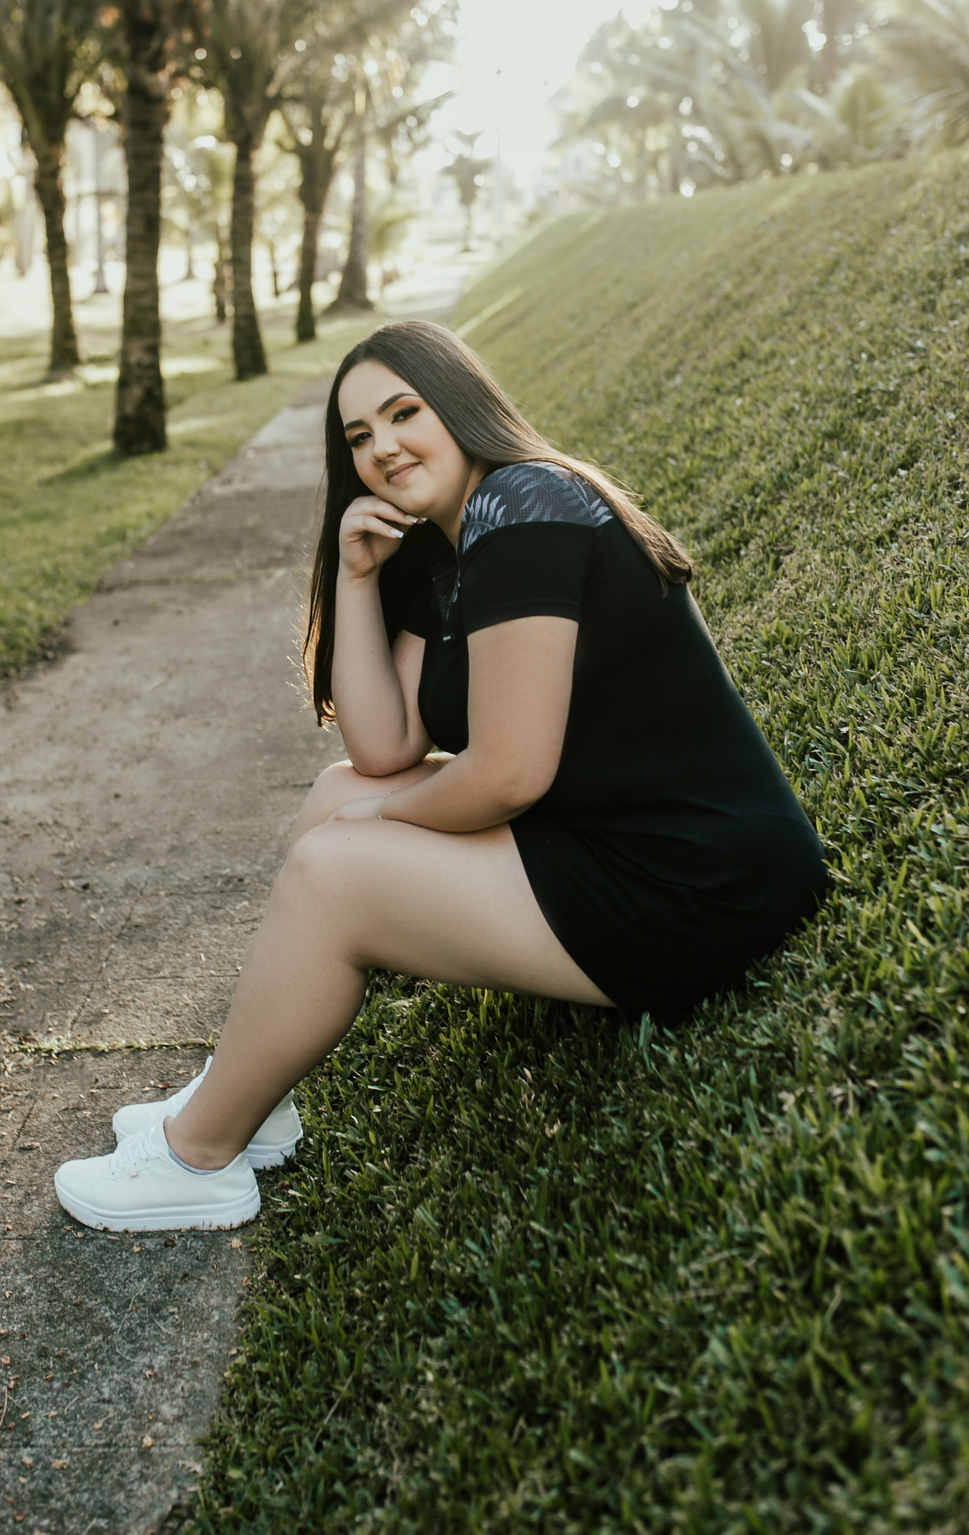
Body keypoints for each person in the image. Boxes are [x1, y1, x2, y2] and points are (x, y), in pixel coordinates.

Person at [54, 319, 828, 1232]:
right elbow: (384, 748)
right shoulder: (454, 542)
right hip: (606, 836)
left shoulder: (523, 506)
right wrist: (355, 578)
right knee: (339, 794)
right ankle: (250, 1100)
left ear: (459, 406)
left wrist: (379, 829)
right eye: (358, 436)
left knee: (334, 866)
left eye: (403, 413)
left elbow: (508, 774)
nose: (381, 448)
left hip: (703, 886)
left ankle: (198, 1160)